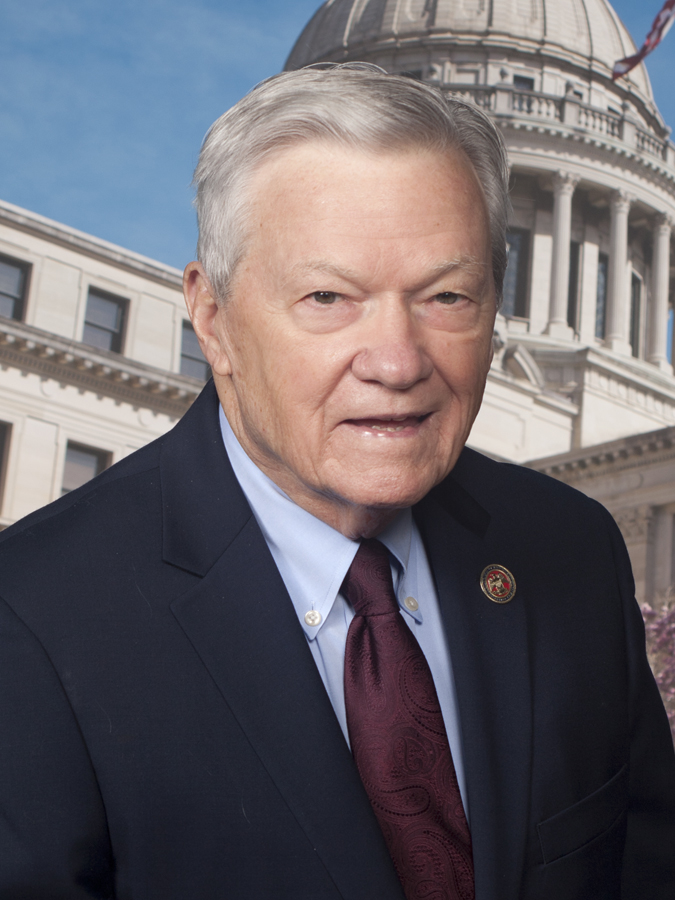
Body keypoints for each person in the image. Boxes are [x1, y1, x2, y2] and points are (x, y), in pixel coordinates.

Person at [0, 65, 673, 900]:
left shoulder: (567, 553)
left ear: (496, 304)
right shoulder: (30, 618)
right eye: (327, 296)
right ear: (213, 320)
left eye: (447, 295)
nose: (395, 363)